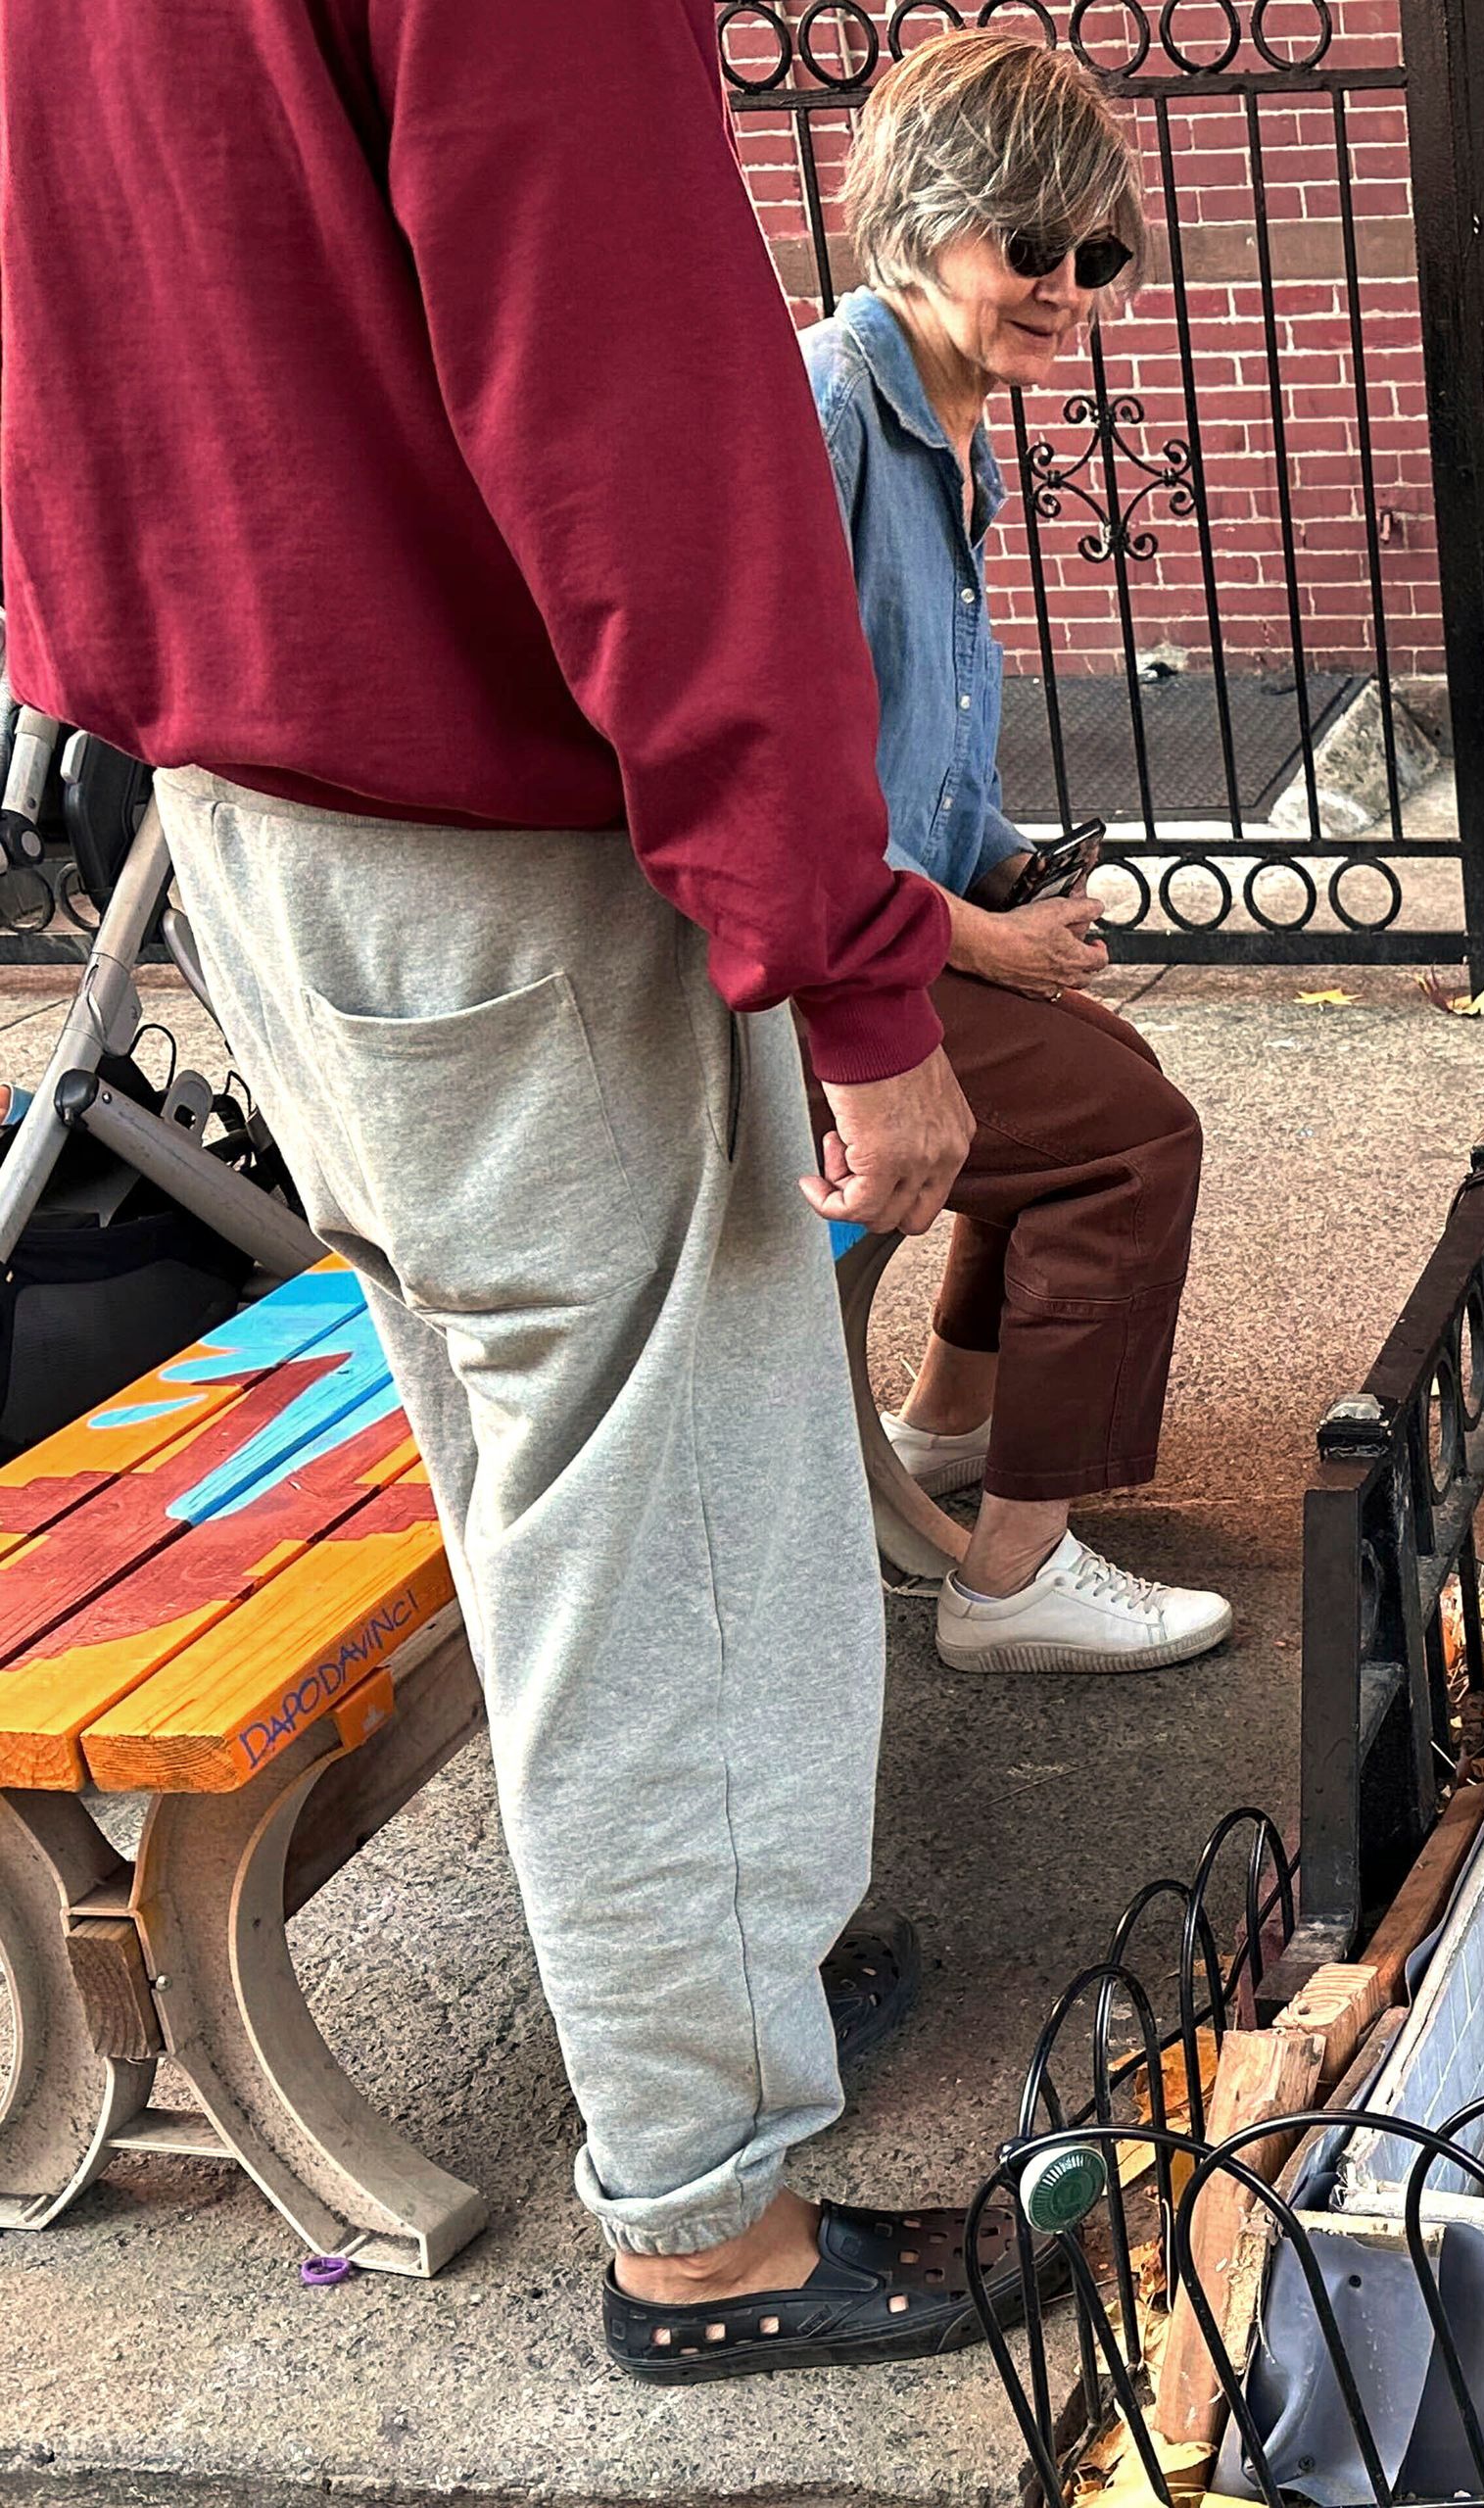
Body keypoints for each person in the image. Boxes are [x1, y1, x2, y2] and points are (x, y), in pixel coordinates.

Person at [0, 0, 1034, 2382]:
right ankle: (704, 2215)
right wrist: (854, 965)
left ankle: (720, 2004)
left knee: (525, 1472)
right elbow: (642, 441)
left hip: (246, 792)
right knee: (658, 1527)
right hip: (490, 832)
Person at [804, 31, 1230, 1675]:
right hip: (790, 973)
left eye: (1098, 252)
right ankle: (1013, 1579)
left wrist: (999, 871)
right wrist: (973, 944)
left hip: (879, 926)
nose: (1071, 286)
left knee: (1085, 1068)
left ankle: (946, 1426)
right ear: (918, 219)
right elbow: (783, 786)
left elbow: (908, 759)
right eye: (1028, 246)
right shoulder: (835, 406)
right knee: (1132, 1140)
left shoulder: (947, 421)